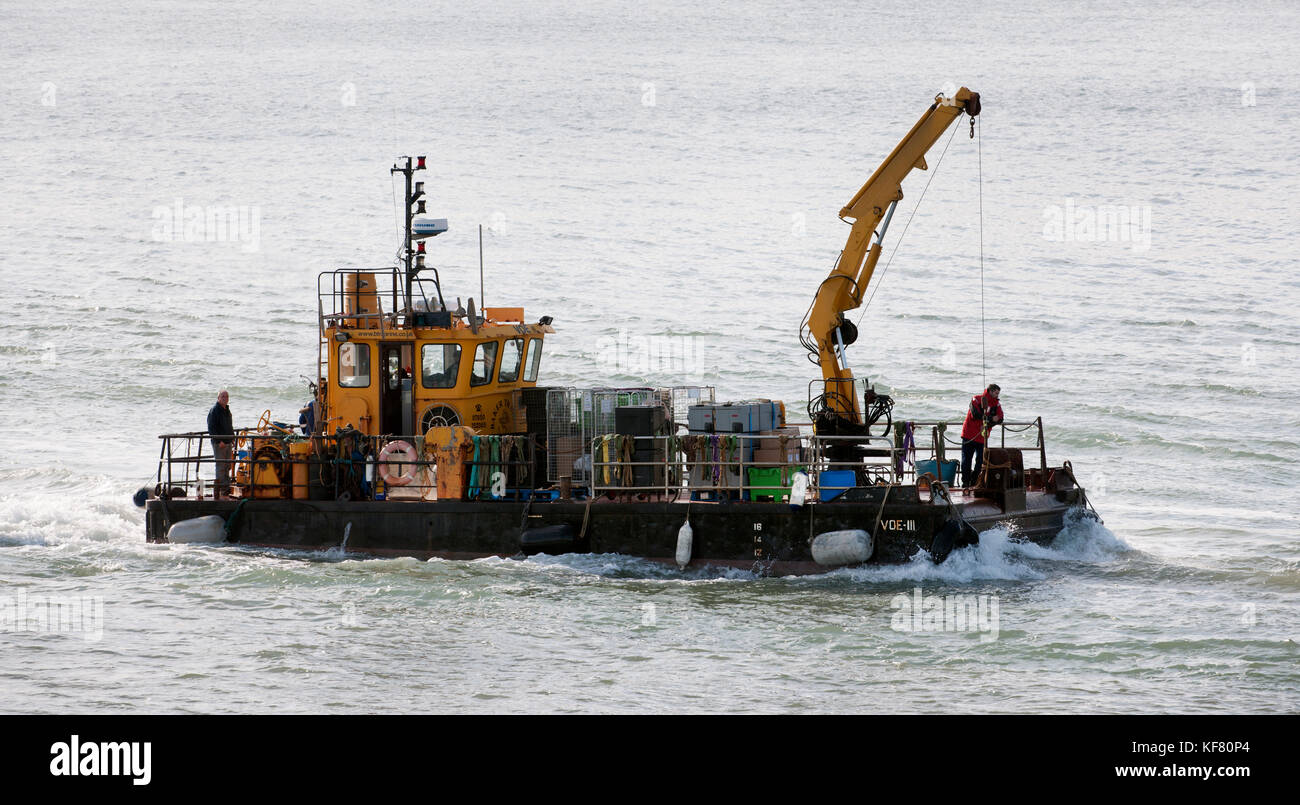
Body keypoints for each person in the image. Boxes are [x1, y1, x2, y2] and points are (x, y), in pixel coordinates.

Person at [960, 383, 1003, 488]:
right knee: (966, 459)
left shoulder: (996, 404)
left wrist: (989, 421)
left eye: (998, 393)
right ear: (991, 391)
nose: (997, 395)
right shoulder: (976, 399)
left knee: (980, 461)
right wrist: (991, 418)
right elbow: (975, 414)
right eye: (996, 393)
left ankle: (974, 481)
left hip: (982, 437)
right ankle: (965, 482)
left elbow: (1001, 418)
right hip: (969, 434)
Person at [207, 389, 235, 499]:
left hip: (228, 442)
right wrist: (219, 441)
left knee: (228, 465)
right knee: (220, 466)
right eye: (223, 396)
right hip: (220, 443)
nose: (225, 398)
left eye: (226, 396)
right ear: (218, 398)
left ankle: (226, 487)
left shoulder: (227, 410)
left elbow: (229, 425)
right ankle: (221, 489)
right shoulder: (215, 410)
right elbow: (211, 428)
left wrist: (232, 437)